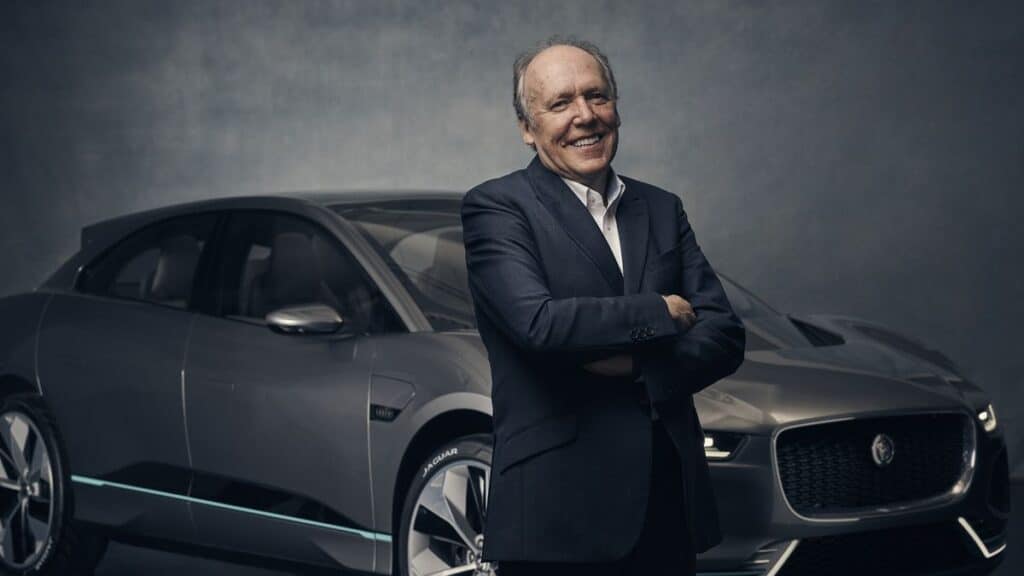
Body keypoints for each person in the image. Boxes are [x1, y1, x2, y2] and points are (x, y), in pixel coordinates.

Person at [461, 36, 746, 575]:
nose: (585, 116)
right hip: (557, 511)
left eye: (597, 96)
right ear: (527, 128)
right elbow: (539, 324)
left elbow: (725, 334)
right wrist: (660, 312)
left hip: (667, 499)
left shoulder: (661, 208)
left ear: (616, 107)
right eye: (560, 103)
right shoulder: (497, 207)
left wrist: (639, 366)